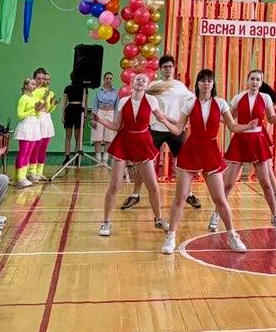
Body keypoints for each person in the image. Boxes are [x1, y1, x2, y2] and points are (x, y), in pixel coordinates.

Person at [159, 69, 250, 255]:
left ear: (213, 84)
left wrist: (248, 126)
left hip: (211, 151)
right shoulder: (189, 103)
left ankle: (232, 236)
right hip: (191, 150)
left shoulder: (221, 103)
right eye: (203, 80)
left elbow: (232, 126)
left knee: (220, 198)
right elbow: (178, 129)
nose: (206, 83)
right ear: (198, 84)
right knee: (181, 196)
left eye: (209, 80)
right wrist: (163, 120)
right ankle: (171, 236)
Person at [91, 73, 179, 237]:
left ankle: (159, 219)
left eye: (144, 80)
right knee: (114, 185)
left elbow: (161, 117)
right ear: (132, 83)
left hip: (143, 142)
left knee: (153, 186)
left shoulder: (151, 100)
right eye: (138, 79)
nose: (140, 81)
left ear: (147, 85)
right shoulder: (123, 101)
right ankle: (106, 222)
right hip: (124, 141)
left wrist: (177, 124)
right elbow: (116, 126)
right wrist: (100, 120)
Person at [212, 70, 276, 234]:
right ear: (247, 81)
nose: (255, 82)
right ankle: (216, 214)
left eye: (258, 79)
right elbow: (230, 119)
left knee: (266, 183)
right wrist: (216, 116)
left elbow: (271, 119)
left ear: (261, 82)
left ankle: (275, 216)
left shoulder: (265, 98)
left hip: (257, 141)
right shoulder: (238, 98)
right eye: (252, 79)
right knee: (228, 184)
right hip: (240, 140)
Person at [122, 57, 196, 211]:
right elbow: (139, 100)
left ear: (174, 68)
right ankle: (135, 194)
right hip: (155, 128)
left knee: (184, 163)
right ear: (161, 69)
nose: (168, 69)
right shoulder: (153, 85)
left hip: (175, 129)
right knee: (144, 162)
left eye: (170, 66)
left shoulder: (180, 86)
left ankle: (189, 193)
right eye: (165, 67)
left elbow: (193, 102)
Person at [13, 77, 41, 187]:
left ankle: (24, 176)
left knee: (29, 153)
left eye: (35, 84)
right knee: (23, 152)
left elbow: (36, 114)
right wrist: (33, 109)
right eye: (32, 84)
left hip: (34, 125)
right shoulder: (23, 98)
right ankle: (19, 177)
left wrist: (38, 110)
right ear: (26, 86)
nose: (34, 86)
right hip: (26, 125)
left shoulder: (34, 98)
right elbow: (20, 115)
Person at [29, 69, 57, 181]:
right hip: (36, 119)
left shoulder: (49, 92)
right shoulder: (32, 92)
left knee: (43, 147)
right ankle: (32, 171)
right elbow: (34, 107)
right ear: (34, 79)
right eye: (38, 78)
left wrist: (53, 105)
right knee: (36, 146)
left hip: (46, 119)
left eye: (43, 79)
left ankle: (40, 172)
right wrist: (43, 100)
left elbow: (48, 109)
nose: (41, 81)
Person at [91, 73, 119, 166]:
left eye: (110, 78)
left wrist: (116, 118)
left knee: (109, 137)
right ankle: (98, 160)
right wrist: (93, 118)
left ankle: (105, 160)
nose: (109, 80)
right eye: (107, 78)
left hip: (110, 113)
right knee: (97, 137)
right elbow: (95, 105)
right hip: (100, 112)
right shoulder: (99, 91)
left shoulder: (115, 92)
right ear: (104, 79)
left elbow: (117, 106)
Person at [61, 71, 86, 161]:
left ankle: (77, 157)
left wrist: (85, 116)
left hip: (79, 111)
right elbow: (64, 102)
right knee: (68, 136)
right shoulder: (68, 88)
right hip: (70, 111)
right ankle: (67, 157)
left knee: (77, 137)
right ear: (72, 78)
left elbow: (85, 103)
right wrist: (63, 115)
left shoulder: (84, 88)